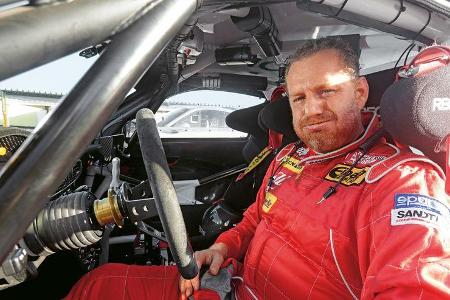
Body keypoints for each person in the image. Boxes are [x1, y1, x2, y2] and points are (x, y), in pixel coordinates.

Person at [66, 38, 450, 300]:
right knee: (98, 284)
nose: (311, 109)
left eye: (326, 91)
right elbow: (255, 219)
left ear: (361, 92)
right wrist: (223, 245)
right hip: (230, 283)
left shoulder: (402, 182)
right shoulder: (290, 158)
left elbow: (415, 285)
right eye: (299, 98)